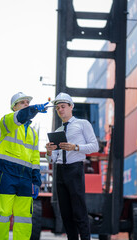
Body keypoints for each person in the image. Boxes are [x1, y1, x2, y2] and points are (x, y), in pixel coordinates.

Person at [0, 92, 48, 240]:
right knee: (3, 215)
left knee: (24, 218)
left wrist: (36, 181)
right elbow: (19, 118)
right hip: (7, 174)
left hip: (26, 178)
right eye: (23, 103)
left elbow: (35, 158)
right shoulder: (7, 122)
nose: (26, 105)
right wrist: (33, 109)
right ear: (14, 107)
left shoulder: (33, 134)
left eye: (28, 103)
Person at [45, 92, 99, 240]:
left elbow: (95, 146)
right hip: (60, 172)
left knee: (79, 211)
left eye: (63, 106)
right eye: (58, 108)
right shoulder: (57, 131)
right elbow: (53, 159)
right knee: (66, 214)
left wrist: (75, 147)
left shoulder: (82, 124)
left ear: (71, 107)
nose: (60, 110)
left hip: (75, 169)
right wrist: (49, 152)